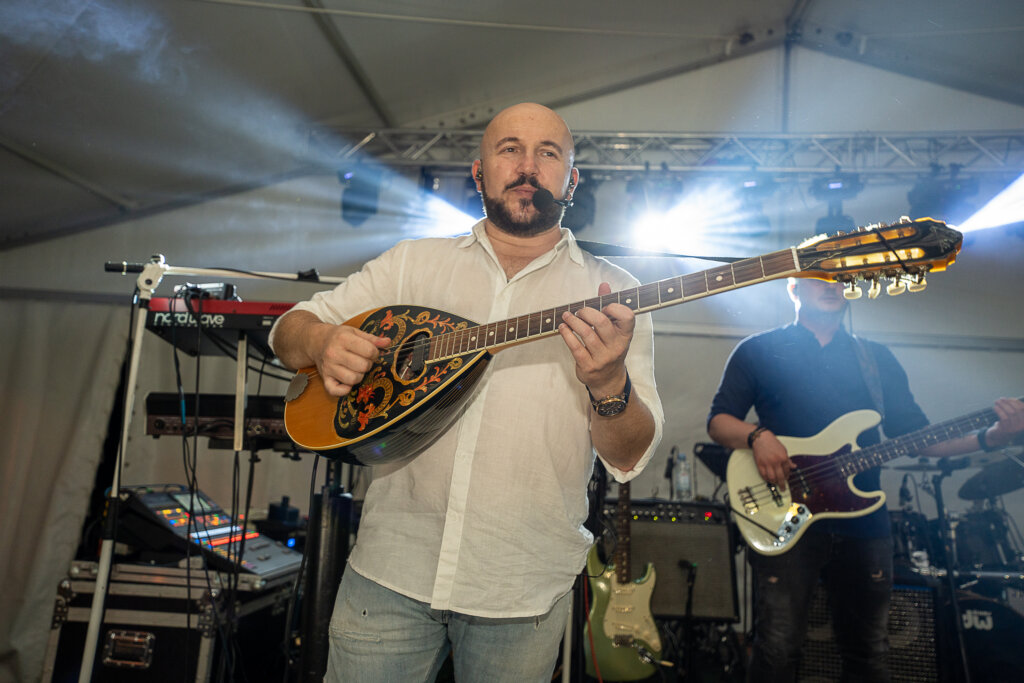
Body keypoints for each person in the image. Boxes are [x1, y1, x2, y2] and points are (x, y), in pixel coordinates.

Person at [270, 102, 664, 682]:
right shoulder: (411, 263)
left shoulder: (615, 295)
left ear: (572, 180)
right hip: (390, 570)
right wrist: (322, 340)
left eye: (548, 153)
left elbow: (629, 456)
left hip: (523, 589)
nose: (528, 166)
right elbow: (287, 330)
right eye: (510, 149)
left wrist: (608, 384)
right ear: (478, 173)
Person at [706, 277, 1024, 683]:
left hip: (864, 525)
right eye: (820, 277)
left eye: (840, 279)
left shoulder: (875, 358)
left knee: (869, 652)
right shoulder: (759, 349)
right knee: (778, 647)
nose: (832, 286)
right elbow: (718, 422)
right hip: (785, 513)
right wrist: (757, 436)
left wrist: (991, 437)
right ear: (794, 288)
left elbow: (919, 438)